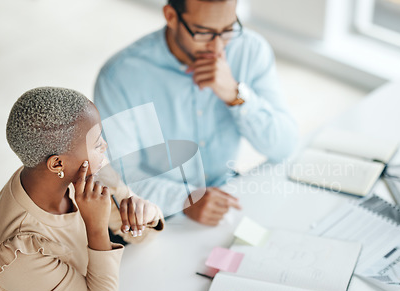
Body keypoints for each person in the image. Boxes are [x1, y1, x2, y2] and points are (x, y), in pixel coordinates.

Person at [0, 87, 164, 291]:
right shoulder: (18, 250)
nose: (106, 146)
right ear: (57, 163)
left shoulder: (73, 175)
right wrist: (96, 228)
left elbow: (141, 234)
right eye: (96, 143)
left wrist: (145, 211)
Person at [94, 0, 299, 226]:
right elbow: (118, 177)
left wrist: (235, 94)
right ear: (171, 16)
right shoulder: (119, 77)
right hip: (154, 214)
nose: (218, 48)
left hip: (227, 193)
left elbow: (285, 146)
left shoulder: (251, 49)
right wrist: (185, 199)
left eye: (228, 30)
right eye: (203, 33)